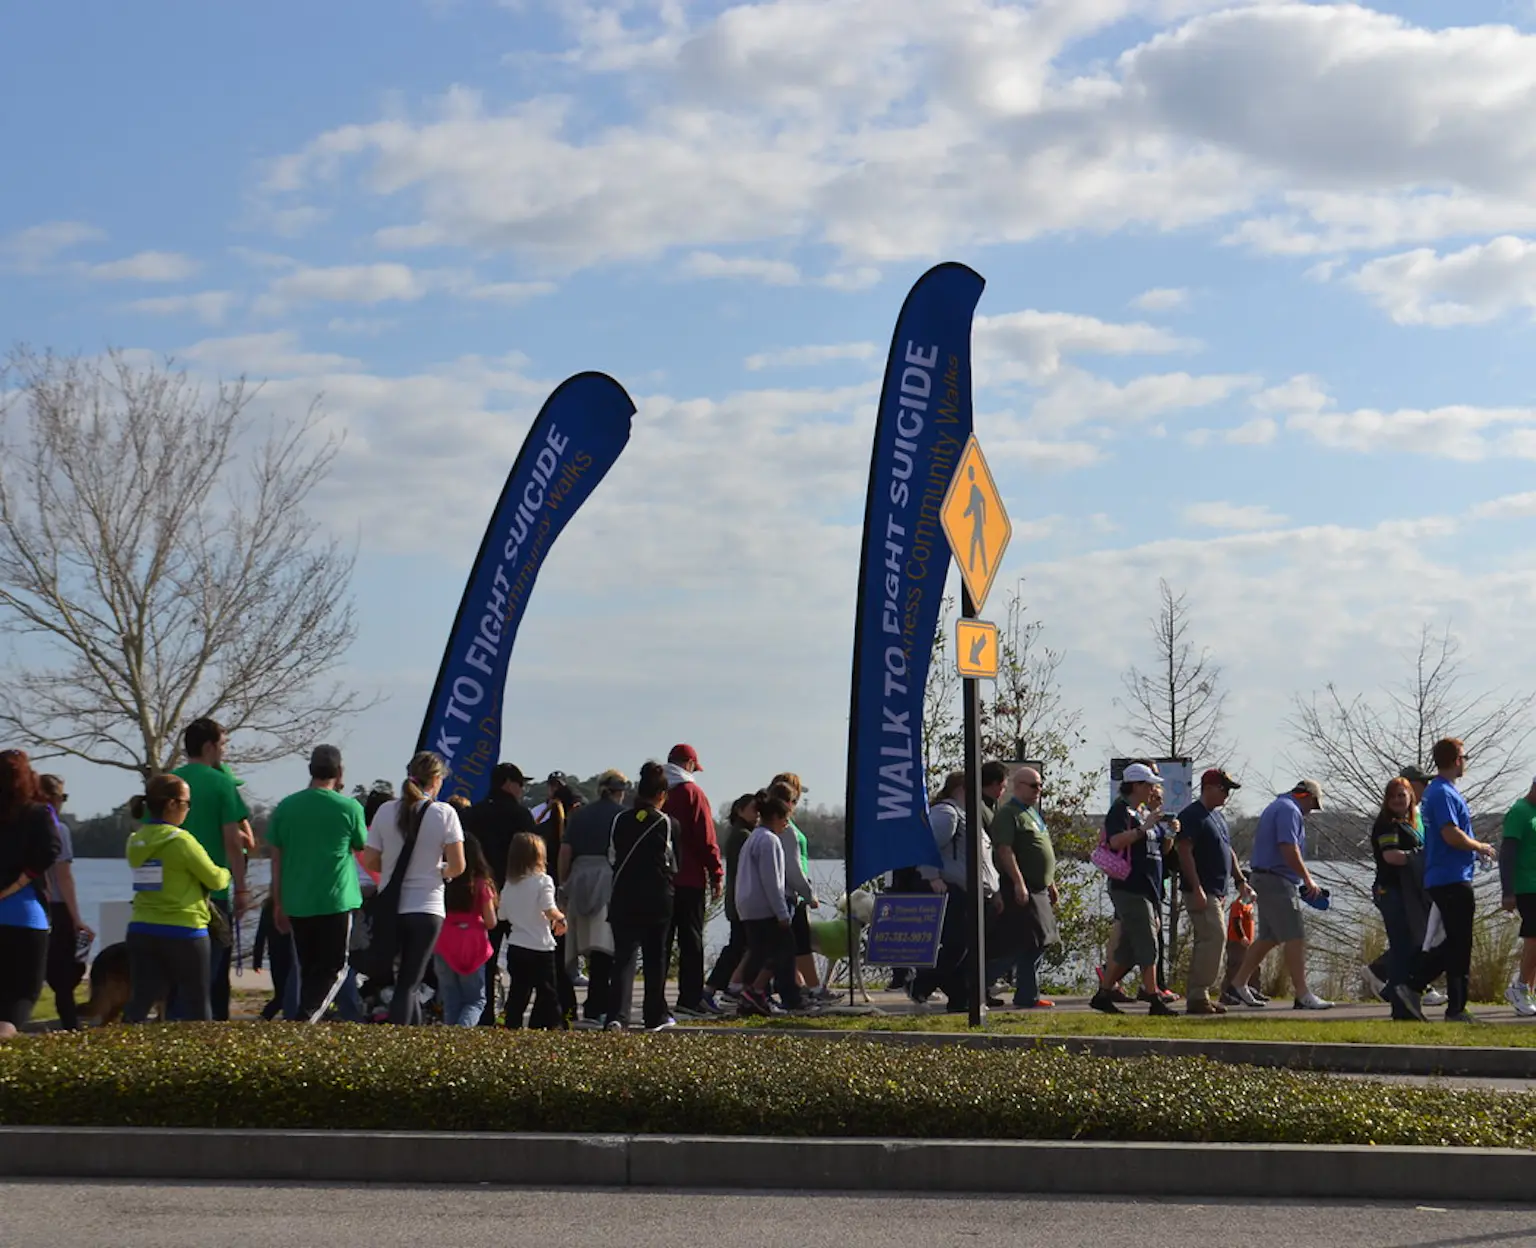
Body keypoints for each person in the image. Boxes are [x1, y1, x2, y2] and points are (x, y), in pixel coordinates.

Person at [266, 745, 369, 1022]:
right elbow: (362, 846)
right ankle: (304, 1020)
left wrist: (277, 902)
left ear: (310, 770)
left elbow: (276, 859)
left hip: (297, 900)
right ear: (339, 772)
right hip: (336, 899)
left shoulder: (287, 806)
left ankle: (302, 1020)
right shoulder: (349, 807)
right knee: (335, 968)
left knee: (308, 969)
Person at [363, 752, 467, 1025]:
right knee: (410, 982)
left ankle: (411, 1038)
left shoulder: (386, 811)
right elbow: (458, 865)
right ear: (436, 779)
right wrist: (439, 870)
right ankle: (404, 1046)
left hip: (391, 906)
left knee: (403, 981)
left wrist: (391, 869)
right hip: (427, 907)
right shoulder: (444, 813)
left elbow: (370, 859)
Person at [1397, 738, 1495, 1023]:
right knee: (1459, 943)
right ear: (1455, 760)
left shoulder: (1443, 791)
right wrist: (1480, 847)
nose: (1466, 761)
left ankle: (1425, 991)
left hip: (1449, 876)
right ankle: (1423, 990)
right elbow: (1450, 834)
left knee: (1455, 941)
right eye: (1464, 757)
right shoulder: (1441, 793)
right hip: (1450, 877)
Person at [123, 773, 231, 1022]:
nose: (187, 810)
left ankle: (120, 1052)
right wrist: (228, 872)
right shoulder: (181, 841)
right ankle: (203, 1056)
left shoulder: (135, 841)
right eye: (186, 803)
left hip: (142, 928)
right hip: (184, 930)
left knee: (140, 1001)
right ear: (171, 804)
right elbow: (214, 879)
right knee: (197, 1003)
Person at [171, 717, 251, 1020]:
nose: (225, 751)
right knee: (213, 971)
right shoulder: (222, 784)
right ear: (208, 747)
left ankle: (173, 1031)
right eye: (223, 744)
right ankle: (207, 1032)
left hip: (173, 894)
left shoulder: (169, 783)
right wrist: (241, 888)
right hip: (213, 893)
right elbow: (233, 841)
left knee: (179, 973)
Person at [1230, 780, 1333, 1010]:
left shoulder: (1278, 806)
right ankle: (1303, 994)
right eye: (1313, 805)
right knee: (1295, 935)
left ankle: (1237, 984)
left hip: (1265, 878)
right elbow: (1288, 847)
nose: (1311, 812)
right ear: (1305, 796)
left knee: (1270, 936)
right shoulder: (1289, 810)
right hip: (1276, 881)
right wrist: (1307, 879)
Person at [1090, 762, 1177, 1016]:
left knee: (1127, 949)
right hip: (1129, 886)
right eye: (1149, 785)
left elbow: (1161, 851)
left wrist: (1168, 833)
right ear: (1136, 785)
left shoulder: (1142, 812)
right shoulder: (1121, 811)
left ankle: (1104, 994)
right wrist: (1144, 827)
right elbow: (1115, 841)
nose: (1152, 790)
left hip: (1149, 887)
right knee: (1149, 943)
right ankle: (1153, 998)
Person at [915, 772, 1001, 1012]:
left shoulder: (967, 815)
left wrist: (996, 891)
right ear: (963, 788)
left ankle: (961, 999)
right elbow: (927, 844)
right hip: (956, 891)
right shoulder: (947, 813)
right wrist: (932, 877)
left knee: (967, 948)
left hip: (976, 893)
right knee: (957, 946)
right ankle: (920, 984)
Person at [462, 762, 536, 1025]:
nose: (522, 789)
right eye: (520, 784)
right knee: (520, 955)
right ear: (507, 783)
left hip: (482, 893)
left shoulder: (473, 814)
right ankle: (513, 1014)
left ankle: (485, 1013)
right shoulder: (521, 816)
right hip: (515, 891)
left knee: (486, 955)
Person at [606, 768, 680, 1032]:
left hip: (623, 896)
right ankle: (654, 1016)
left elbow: (612, 857)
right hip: (657, 898)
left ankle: (617, 1016)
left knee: (624, 958)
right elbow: (673, 864)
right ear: (661, 795)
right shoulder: (667, 823)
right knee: (655, 957)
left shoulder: (619, 820)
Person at [1174, 768, 1251, 1015]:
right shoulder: (1192, 816)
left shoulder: (1217, 818)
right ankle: (1197, 997)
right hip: (1201, 890)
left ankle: (1201, 995)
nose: (1227, 794)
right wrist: (1196, 887)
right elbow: (1184, 851)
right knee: (1214, 937)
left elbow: (1228, 851)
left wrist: (1240, 880)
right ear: (1208, 788)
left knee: (1209, 940)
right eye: (1224, 789)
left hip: (1216, 891)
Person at [559, 769, 627, 1027]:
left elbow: (566, 851)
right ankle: (597, 1006)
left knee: (580, 946)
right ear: (619, 791)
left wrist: (563, 882)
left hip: (578, 879)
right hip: (607, 880)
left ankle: (576, 1006)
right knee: (605, 949)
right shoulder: (621, 816)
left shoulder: (580, 815)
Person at [0, 750, 62, 1029]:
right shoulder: (37, 813)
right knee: (21, 997)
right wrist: (20, 882)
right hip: (24, 915)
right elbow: (51, 850)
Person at [987, 766, 1057, 1009]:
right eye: (1033, 785)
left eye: (1040, 785)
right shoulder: (1009, 813)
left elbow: (1042, 849)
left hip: (1039, 888)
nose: (1039, 790)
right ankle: (976, 983)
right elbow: (1005, 850)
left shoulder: (1032, 813)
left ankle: (1027, 995)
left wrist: (1051, 884)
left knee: (1038, 941)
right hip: (1021, 888)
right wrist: (1018, 883)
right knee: (1022, 943)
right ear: (1018, 786)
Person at [662, 744, 723, 1018]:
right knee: (691, 942)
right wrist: (716, 874)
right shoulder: (692, 793)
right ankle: (689, 999)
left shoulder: (657, 793)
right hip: (689, 879)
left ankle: (656, 999)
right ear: (688, 764)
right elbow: (705, 839)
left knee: (660, 943)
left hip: (661, 881)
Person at [735, 789, 804, 1018]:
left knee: (758, 951)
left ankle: (750, 995)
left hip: (747, 905)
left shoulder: (753, 837)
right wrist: (782, 913)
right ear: (774, 817)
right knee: (783, 948)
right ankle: (755, 991)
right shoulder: (769, 840)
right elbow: (773, 880)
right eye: (785, 819)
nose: (786, 824)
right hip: (763, 905)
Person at [1371, 777, 1426, 1021]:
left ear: (1410, 798)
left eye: (1401, 796)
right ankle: (1401, 1004)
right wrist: (1421, 857)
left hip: (1408, 891)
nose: (1397, 800)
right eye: (1393, 796)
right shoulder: (1387, 824)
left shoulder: (1409, 823)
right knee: (1403, 944)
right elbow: (1392, 856)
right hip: (1390, 891)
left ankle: (1398, 992)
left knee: (1414, 943)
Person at [39, 775, 91, 1030]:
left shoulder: (17, 825)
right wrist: (77, 918)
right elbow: (64, 877)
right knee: (64, 977)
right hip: (57, 908)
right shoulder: (58, 829)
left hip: (29, 904)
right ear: (54, 799)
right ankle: (70, 1027)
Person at [500, 831, 566, 1028]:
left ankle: (512, 1027)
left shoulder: (510, 884)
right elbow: (548, 908)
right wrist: (561, 918)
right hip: (540, 946)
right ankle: (550, 1027)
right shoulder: (543, 881)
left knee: (518, 993)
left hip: (516, 944)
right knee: (548, 993)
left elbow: (502, 915)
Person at [434, 835, 499, 1027]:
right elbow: (491, 922)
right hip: (472, 943)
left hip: (444, 939)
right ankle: (462, 1034)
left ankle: (450, 1040)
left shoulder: (444, 881)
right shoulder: (481, 884)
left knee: (451, 999)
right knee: (475, 1000)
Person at [705, 793, 758, 1008]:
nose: (757, 815)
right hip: (741, 900)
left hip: (737, 898)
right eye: (754, 809)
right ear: (740, 810)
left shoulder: (739, 833)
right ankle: (711, 988)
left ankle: (730, 987)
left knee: (742, 946)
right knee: (739, 946)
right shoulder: (743, 836)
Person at [1500, 774, 1536, 1017]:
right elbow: (1507, 853)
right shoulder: (1519, 812)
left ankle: (1526, 990)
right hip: (1526, 886)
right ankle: (1520, 986)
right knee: (1533, 936)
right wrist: (1507, 891)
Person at [252, 896, 299, 1021]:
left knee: (283, 993)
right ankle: (265, 1017)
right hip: (285, 955)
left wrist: (257, 958)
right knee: (284, 994)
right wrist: (257, 958)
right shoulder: (275, 906)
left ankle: (265, 1018)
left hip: (279, 954)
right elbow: (261, 933)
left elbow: (261, 933)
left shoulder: (270, 906)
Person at [1219, 896, 1266, 1006]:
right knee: (1235, 967)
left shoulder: (1249, 906)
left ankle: (1253, 991)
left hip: (1249, 942)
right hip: (1237, 942)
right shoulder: (1238, 904)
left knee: (1253, 966)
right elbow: (1236, 921)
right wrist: (1241, 937)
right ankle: (1227, 995)